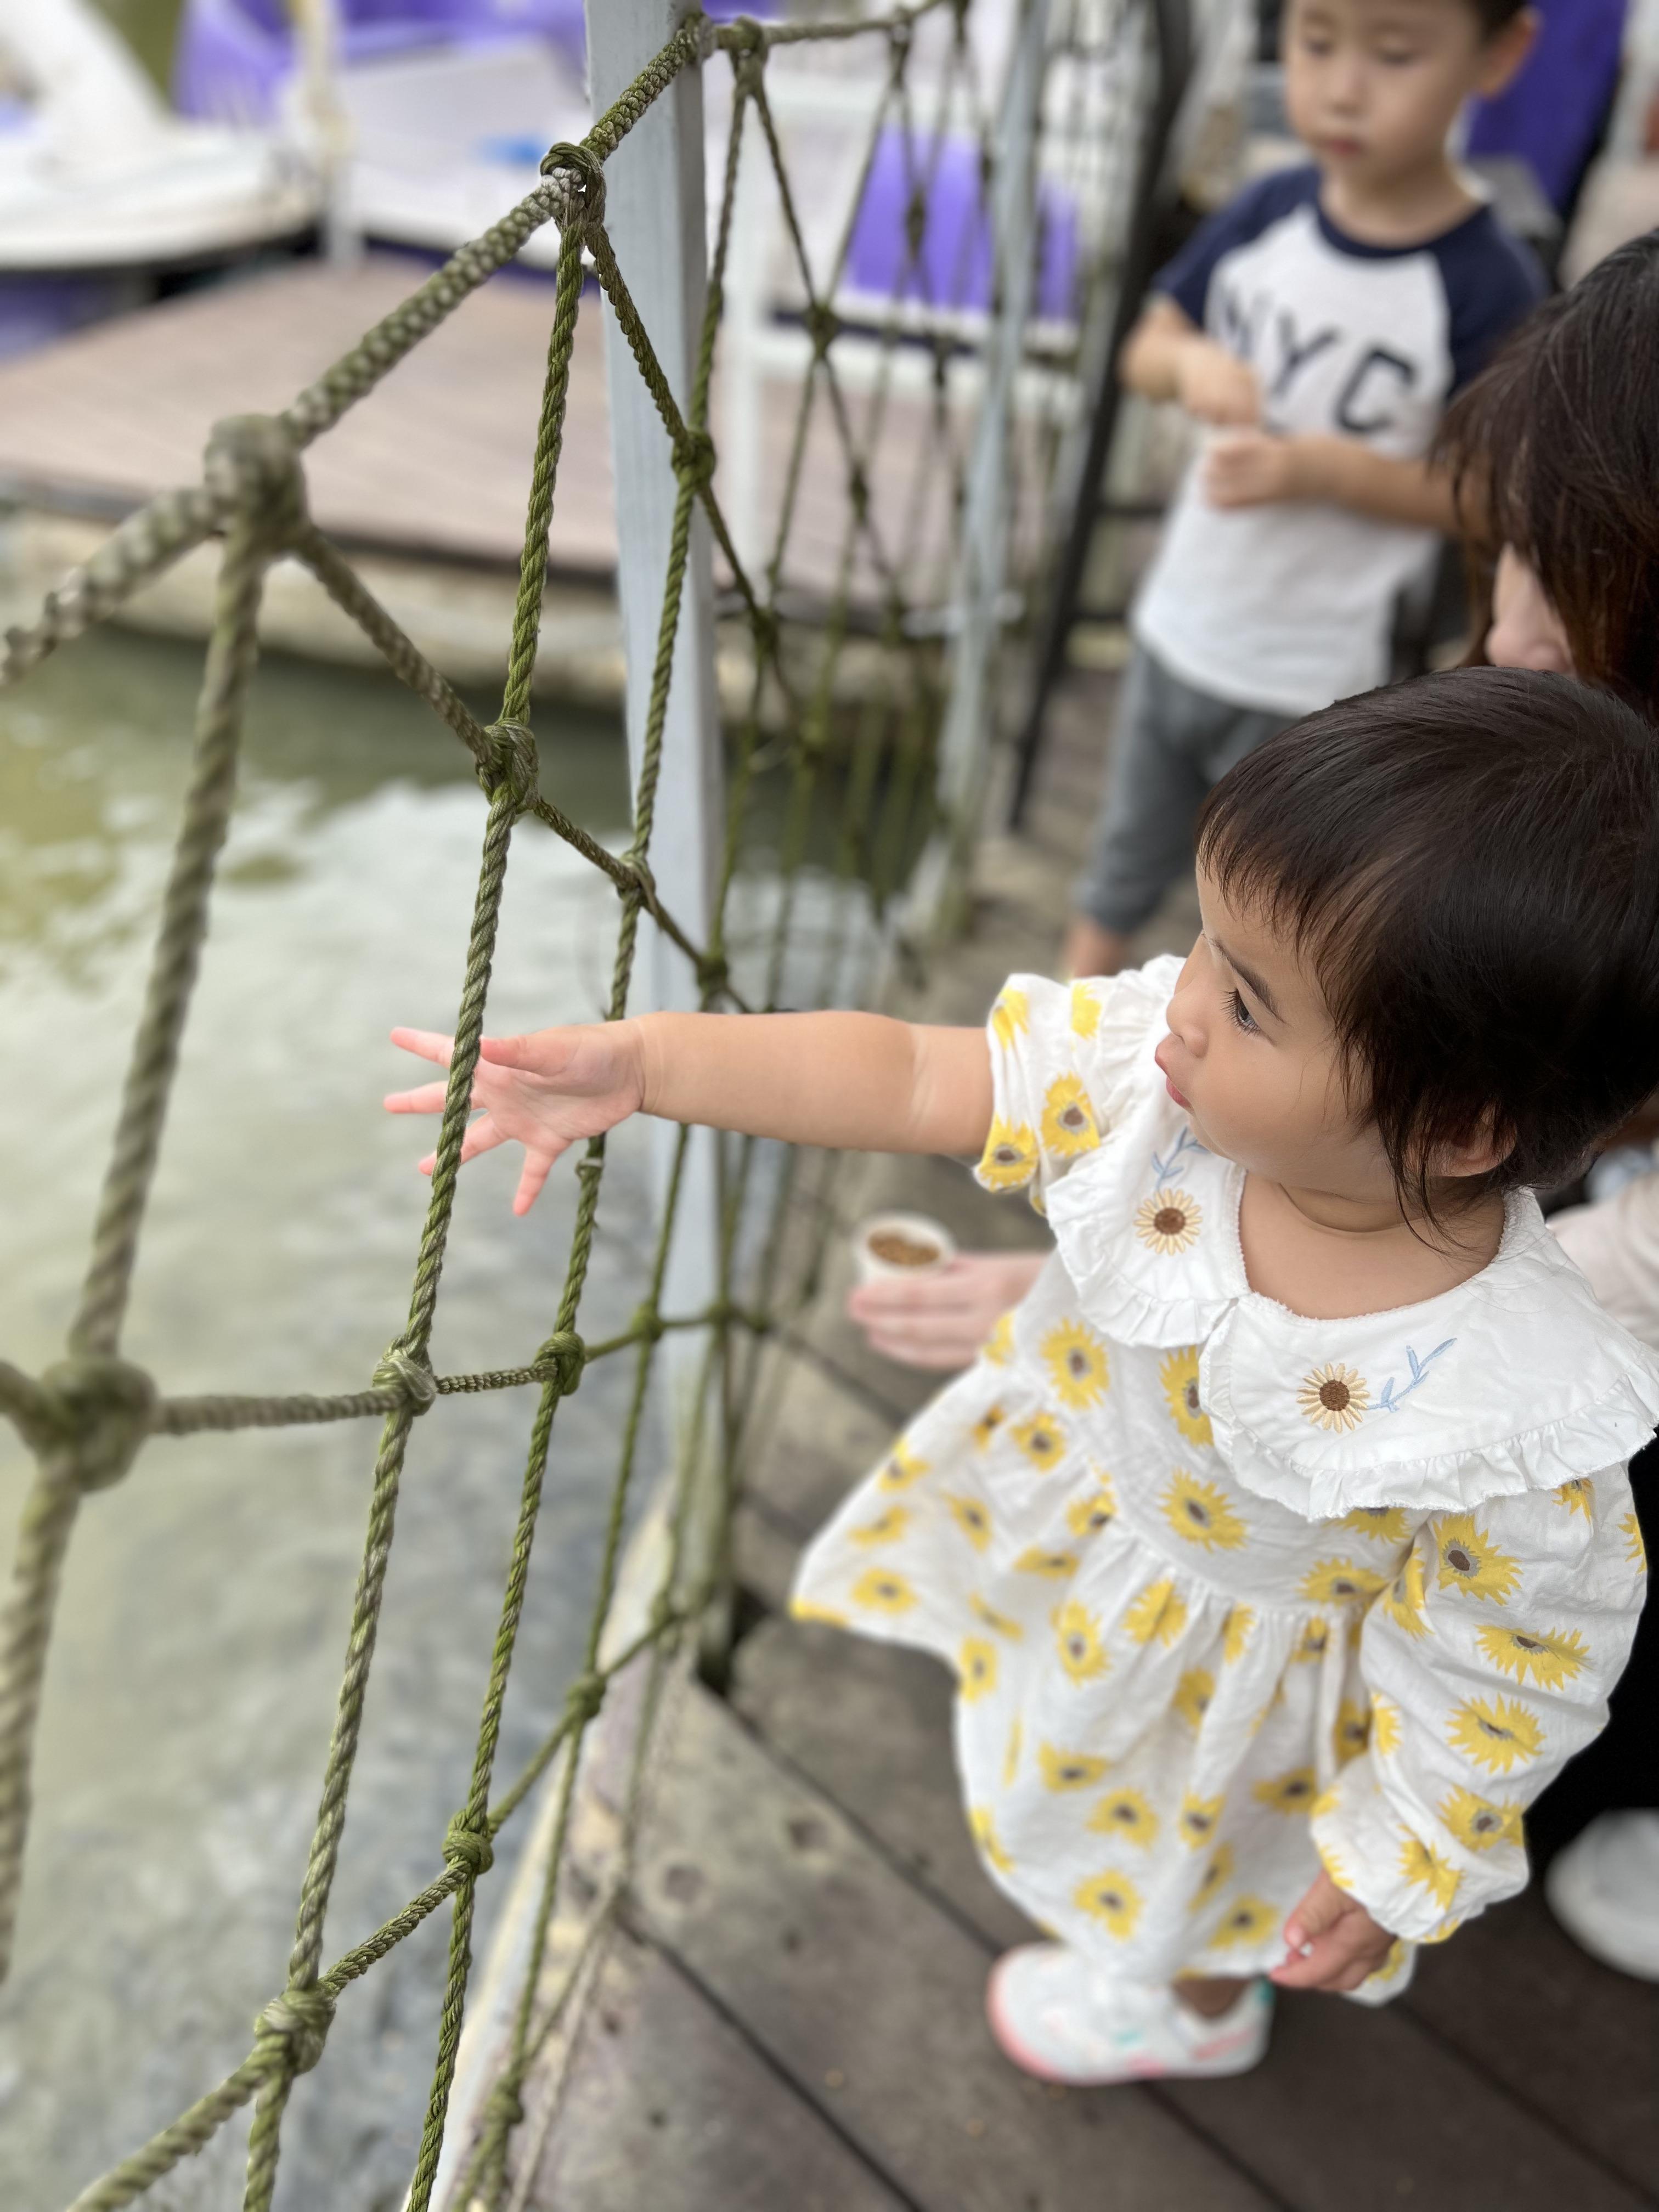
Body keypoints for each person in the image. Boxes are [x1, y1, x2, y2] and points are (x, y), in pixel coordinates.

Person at [387, 667, 1658, 2081]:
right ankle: (1161, 1964)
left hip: (1254, 1703)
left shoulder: (1518, 1406)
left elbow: (1517, 1662)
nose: (1180, 1008)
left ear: (1464, 1126)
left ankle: (1187, 2010)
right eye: (1201, 943)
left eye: (1250, 1006)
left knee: (1198, 1884)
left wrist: (1399, 1856)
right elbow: (913, 1078)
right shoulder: (1144, 1094)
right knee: (1067, 1766)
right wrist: (649, 1063)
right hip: (1092, 1544)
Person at [1063, 0, 1542, 984]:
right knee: (1119, 862)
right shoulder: (1268, 210)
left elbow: (1493, 493)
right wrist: (1190, 365)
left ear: (1498, 55)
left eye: (1395, 53)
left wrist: (1327, 471)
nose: (1342, 85)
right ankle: (1055, 1039)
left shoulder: (1491, 283)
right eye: (1316, 41)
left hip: (1313, 673)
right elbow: (1144, 348)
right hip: (1181, 622)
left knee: (1269, 907)